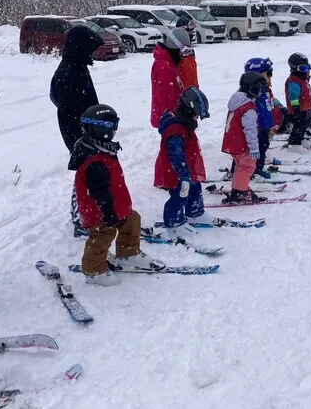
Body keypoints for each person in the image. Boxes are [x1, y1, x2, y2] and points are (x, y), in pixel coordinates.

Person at [69, 104, 164, 286]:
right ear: (101, 129)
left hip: (116, 207)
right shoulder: (94, 161)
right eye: (112, 126)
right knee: (102, 236)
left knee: (132, 220)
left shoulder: (102, 149)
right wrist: (108, 212)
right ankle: (94, 271)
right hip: (101, 212)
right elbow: (99, 193)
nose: (114, 130)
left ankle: (128, 255)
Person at [50, 24, 104, 237]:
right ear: (80, 47)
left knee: (90, 172)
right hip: (78, 134)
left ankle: (87, 211)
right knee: (87, 173)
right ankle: (82, 216)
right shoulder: (68, 72)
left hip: (88, 130)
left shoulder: (77, 66)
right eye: (89, 49)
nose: (92, 54)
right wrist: (83, 133)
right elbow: (61, 102)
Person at [154, 87, 213, 236]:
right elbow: (176, 155)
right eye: (197, 115)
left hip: (188, 168)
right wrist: (182, 174)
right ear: (189, 111)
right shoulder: (175, 129)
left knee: (195, 189)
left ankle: (195, 212)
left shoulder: (184, 123)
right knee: (179, 195)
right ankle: (174, 222)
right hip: (178, 171)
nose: (197, 119)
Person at [221, 72, 268, 203]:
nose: (260, 92)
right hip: (242, 144)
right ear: (252, 88)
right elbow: (250, 130)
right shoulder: (248, 108)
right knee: (247, 167)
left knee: (241, 165)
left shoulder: (237, 102)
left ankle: (239, 188)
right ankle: (240, 192)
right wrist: (254, 148)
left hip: (233, 142)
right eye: (259, 89)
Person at [150, 27, 193, 128]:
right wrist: (175, 118)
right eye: (184, 50)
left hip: (174, 117)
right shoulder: (165, 67)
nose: (183, 55)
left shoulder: (170, 62)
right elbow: (167, 98)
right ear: (175, 47)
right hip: (169, 120)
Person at [244, 57, 276, 177]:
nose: (270, 76)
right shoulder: (252, 93)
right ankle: (254, 169)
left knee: (263, 146)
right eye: (267, 73)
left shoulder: (265, 90)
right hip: (257, 128)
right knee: (256, 149)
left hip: (264, 126)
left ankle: (257, 167)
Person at [285, 53, 311, 153]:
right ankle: (294, 144)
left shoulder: (301, 79)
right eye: (303, 68)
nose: (306, 70)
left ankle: (300, 140)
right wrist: (296, 107)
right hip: (298, 109)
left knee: (303, 125)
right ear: (294, 69)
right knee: (299, 126)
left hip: (304, 108)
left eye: (307, 67)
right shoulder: (294, 81)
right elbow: (293, 95)